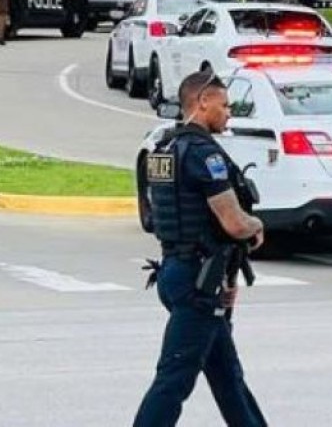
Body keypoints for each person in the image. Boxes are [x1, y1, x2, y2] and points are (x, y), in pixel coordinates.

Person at [134, 70, 268, 427]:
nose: (229, 113)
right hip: (198, 283)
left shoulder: (164, 148)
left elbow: (154, 215)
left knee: (228, 378)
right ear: (202, 101)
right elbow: (233, 222)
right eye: (224, 105)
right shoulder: (203, 153)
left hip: (180, 271)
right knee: (173, 380)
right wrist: (256, 225)